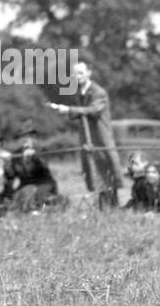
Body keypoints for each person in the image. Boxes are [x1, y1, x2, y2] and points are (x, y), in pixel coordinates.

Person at [48, 61, 122, 208]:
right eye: (75, 74)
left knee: (107, 174)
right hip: (88, 141)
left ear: (89, 73)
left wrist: (68, 109)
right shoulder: (80, 92)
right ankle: (101, 206)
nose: (78, 76)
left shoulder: (98, 92)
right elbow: (80, 113)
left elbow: (93, 110)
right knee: (93, 173)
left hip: (101, 140)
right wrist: (61, 110)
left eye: (81, 73)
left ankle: (112, 208)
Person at [8, 129, 59, 213]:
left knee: (39, 195)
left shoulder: (41, 150)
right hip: (25, 184)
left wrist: (35, 157)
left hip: (43, 183)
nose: (25, 139)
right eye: (22, 137)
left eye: (28, 136)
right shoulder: (15, 155)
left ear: (33, 138)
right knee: (16, 199)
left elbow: (44, 166)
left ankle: (41, 210)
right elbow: (12, 174)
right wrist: (7, 166)